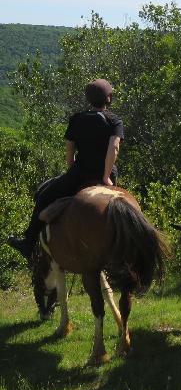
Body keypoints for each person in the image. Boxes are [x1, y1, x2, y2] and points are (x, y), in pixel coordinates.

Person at [7, 78, 124, 261]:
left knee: (44, 196)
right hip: (106, 174)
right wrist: (106, 176)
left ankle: (28, 244)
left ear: (88, 99)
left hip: (80, 173)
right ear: (108, 98)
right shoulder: (114, 121)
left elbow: (70, 149)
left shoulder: (77, 119)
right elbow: (114, 148)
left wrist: (71, 169)